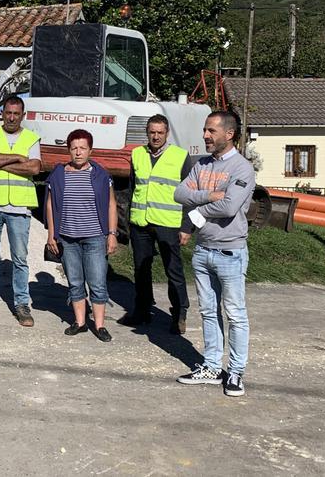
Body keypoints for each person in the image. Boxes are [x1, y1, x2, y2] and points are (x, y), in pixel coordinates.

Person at [174, 110, 256, 398]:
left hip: (230, 252)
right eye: (205, 130)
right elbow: (179, 193)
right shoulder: (202, 165)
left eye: (211, 131)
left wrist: (197, 212)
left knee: (234, 314)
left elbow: (230, 207)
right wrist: (209, 196)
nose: (205, 135)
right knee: (208, 312)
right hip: (203, 251)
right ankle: (211, 366)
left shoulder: (242, 168)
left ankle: (235, 372)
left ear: (229, 134)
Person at [122, 114, 196, 334]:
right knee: (141, 269)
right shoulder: (137, 154)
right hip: (140, 223)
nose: (155, 137)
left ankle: (179, 313)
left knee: (173, 270)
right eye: (152, 132)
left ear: (167, 133)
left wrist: (186, 227)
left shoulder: (180, 156)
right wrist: (128, 221)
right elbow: (132, 188)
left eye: (160, 133)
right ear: (147, 132)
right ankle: (142, 310)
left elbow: (190, 195)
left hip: (168, 223)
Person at [45, 129, 118, 342]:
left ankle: (100, 325)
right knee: (75, 281)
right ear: (68, 150)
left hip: (95, 237)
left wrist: (111, 234)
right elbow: (50, 205)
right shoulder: (58, 174)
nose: (78, 152)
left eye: (83, 148)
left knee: (96, 282)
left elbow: (111, 204)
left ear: (90, 150)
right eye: (74, 148)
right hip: (67, 238)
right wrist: (52, 234)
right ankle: (80, 322)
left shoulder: (101, 175)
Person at [0, 96, 42, 327]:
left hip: (20, 207)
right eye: (8, 113)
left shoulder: (32, 138)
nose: (12, 117)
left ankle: (22, 304)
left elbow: (34, 167)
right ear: (2, 113)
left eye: (16, 113)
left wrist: (0, 160)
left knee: (20, 258)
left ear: (22, 115)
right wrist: (17, 157)